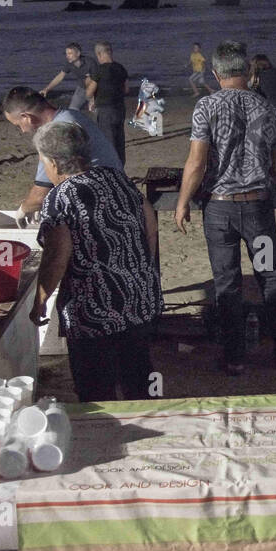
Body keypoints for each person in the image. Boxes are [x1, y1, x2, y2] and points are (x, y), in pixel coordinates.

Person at [174, 40, 276, 375]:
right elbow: (275, 166)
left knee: (227, 284)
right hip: (258, 205)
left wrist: (183, 201)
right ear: (247, 71)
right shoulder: (266, 108)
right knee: (271, 278)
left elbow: (196, 162)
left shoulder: (206, 107)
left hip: (219, 208)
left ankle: (235, 359)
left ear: (215, 74)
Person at [30, 120, 161, 402]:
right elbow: (149, 223)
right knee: (138, 374)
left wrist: (40, 299)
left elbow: (56, 257)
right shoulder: (116, 178)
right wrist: (140, 270)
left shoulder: (60, 198)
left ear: (53, 162)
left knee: (96, 386)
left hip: (92, 310)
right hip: (138, 298)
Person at [1, 86, 122, 222]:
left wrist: (23, 210)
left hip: (98, 196)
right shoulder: (71, 115)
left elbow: (40, 195)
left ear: (26, 117)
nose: (22, 131)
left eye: (18, 125)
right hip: (115, 184)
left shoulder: (54, 133)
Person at [85, 41, 129, 168]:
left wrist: (89, 85)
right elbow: (126, 89)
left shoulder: (99, 71)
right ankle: (121, 166)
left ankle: (113, 169)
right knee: (119, 139)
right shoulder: (121, 68)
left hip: (105, 109)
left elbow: (89, 92)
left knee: (108, 141)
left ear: (99, 54)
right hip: (119, 108)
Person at [40, 43, 92, 111]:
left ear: (78, 53)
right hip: (81, 88)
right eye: (66, 54)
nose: (67, 56)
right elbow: (60, 76)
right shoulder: (70, 64)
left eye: (70, 53)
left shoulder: (90, 62)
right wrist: (46, 89)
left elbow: (95, 80)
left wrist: (92, 99)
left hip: (95, 88)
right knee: (73, 110)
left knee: (94, 109)